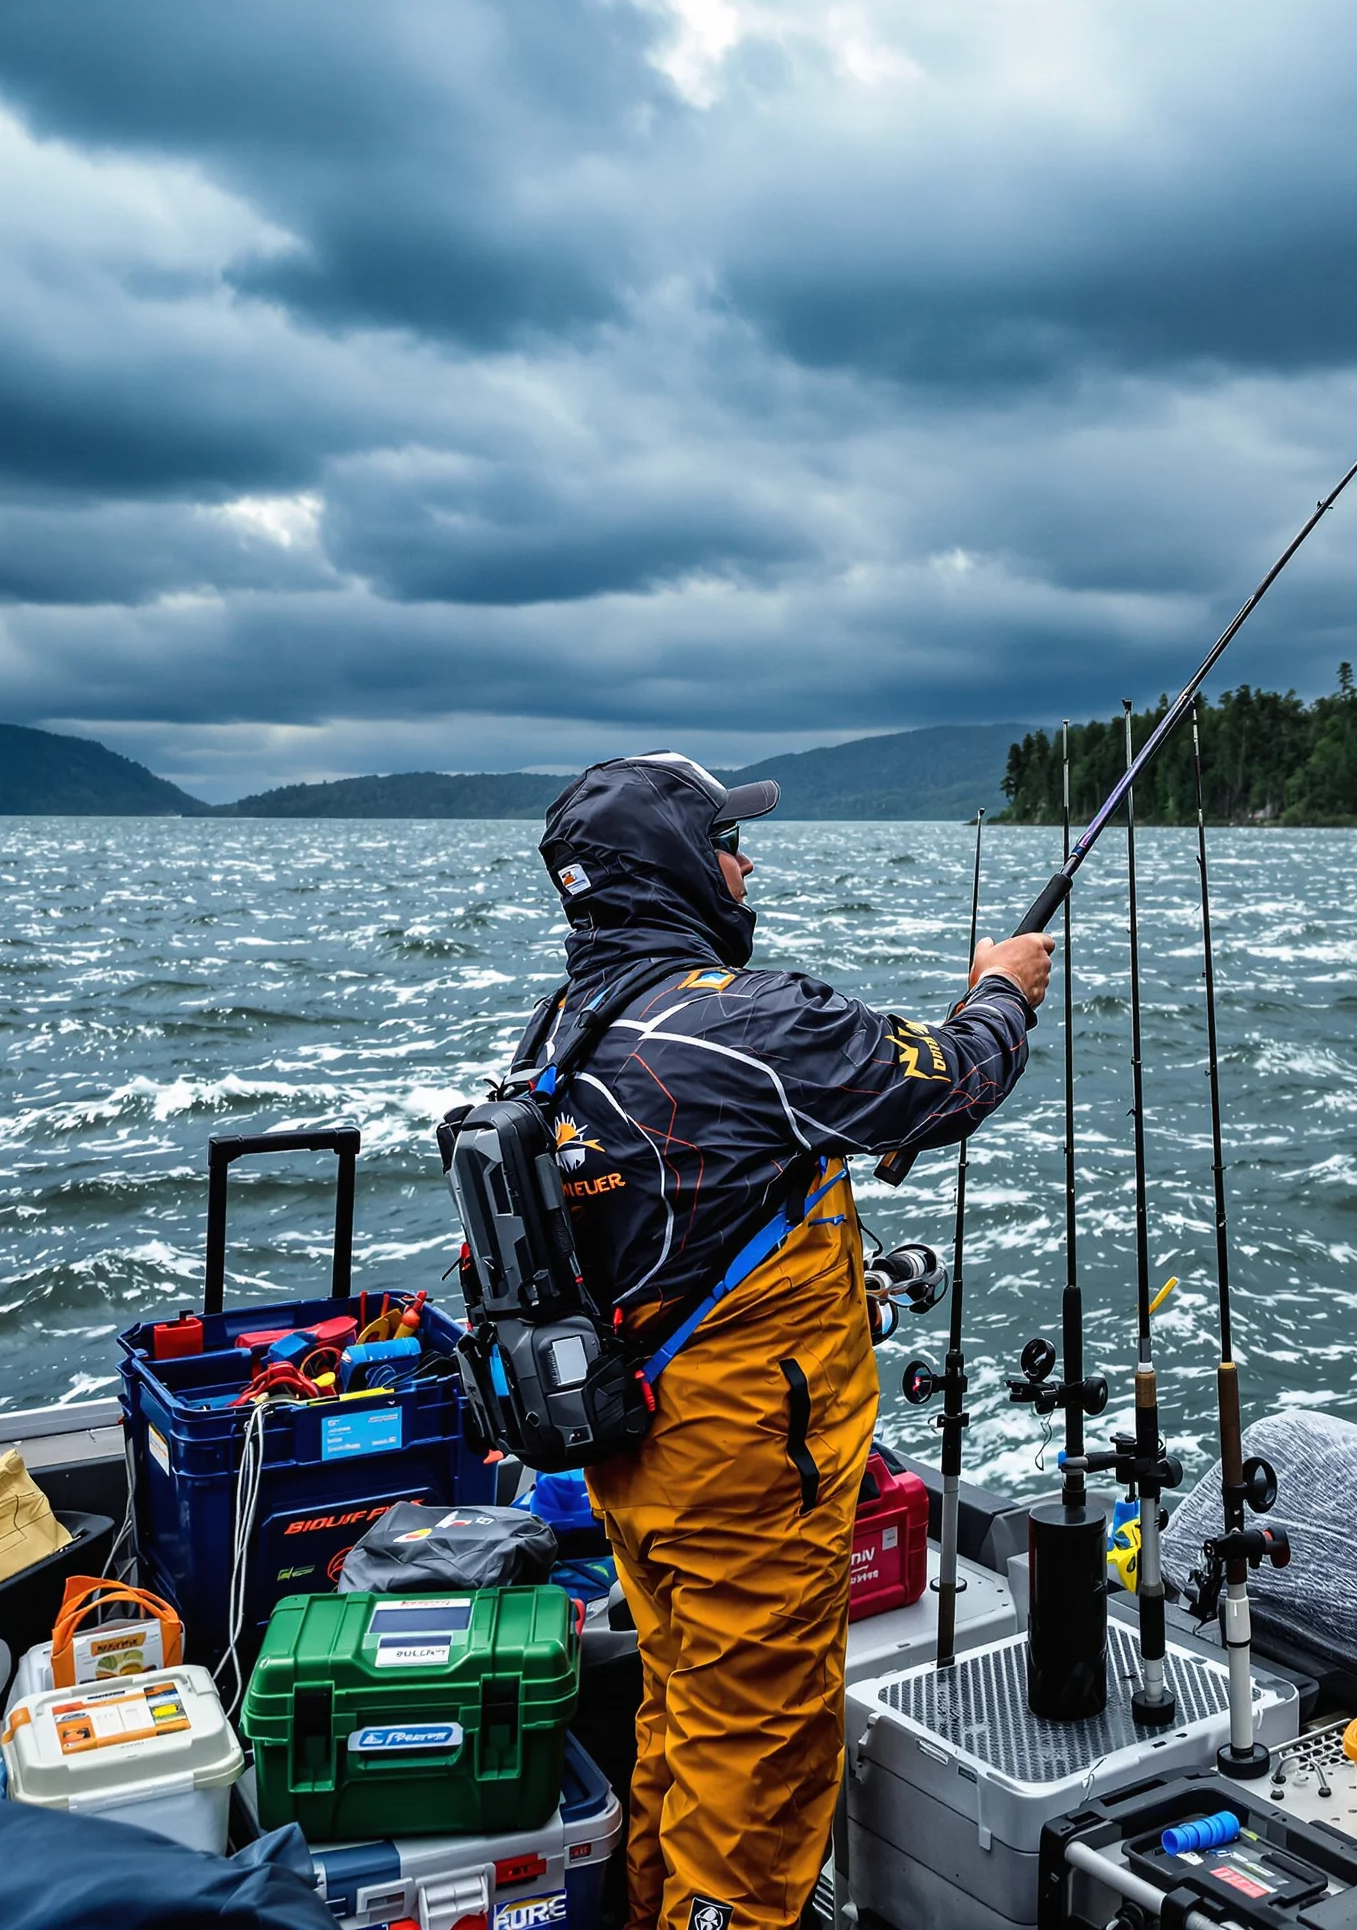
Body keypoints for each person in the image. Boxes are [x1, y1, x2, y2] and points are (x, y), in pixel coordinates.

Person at [514, 751, 1051, 1930]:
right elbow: (950, 1081)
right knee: (756, 1758)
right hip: (743, 1473)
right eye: (723, 842)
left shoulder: (557, 1034)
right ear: (667, 865)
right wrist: (1002, 986)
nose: (744, 863)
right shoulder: (745, 1022)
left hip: (635, 1464)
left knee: (682, 1714)